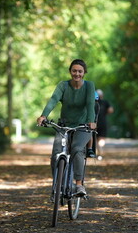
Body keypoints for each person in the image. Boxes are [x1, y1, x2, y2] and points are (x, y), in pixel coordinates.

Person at [37, 59, 96, 197]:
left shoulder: (89, 86)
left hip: (83, 126)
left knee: (76, 149)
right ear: (70, 71)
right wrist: (43, 115)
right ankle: (57, 185)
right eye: (74, 71)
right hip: (64, 125)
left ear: (84, 73)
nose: (77, 74)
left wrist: (91, 122)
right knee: (56, 154)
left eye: (80, 71)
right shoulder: (63, 85)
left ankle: (79, 184)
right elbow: (53, 100)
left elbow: (90, 104)